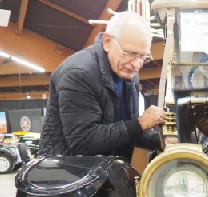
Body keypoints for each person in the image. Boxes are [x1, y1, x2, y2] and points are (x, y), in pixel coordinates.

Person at [39, 11, 165, 160]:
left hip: (109, 167)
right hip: (68, 170)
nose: (137, 65)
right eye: (130, 53)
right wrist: (140, 123)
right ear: (107, 42)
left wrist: (161, 140)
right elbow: (84, 141)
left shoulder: (128, 74)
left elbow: (127, 131)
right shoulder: (79, 73)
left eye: (143, 57)